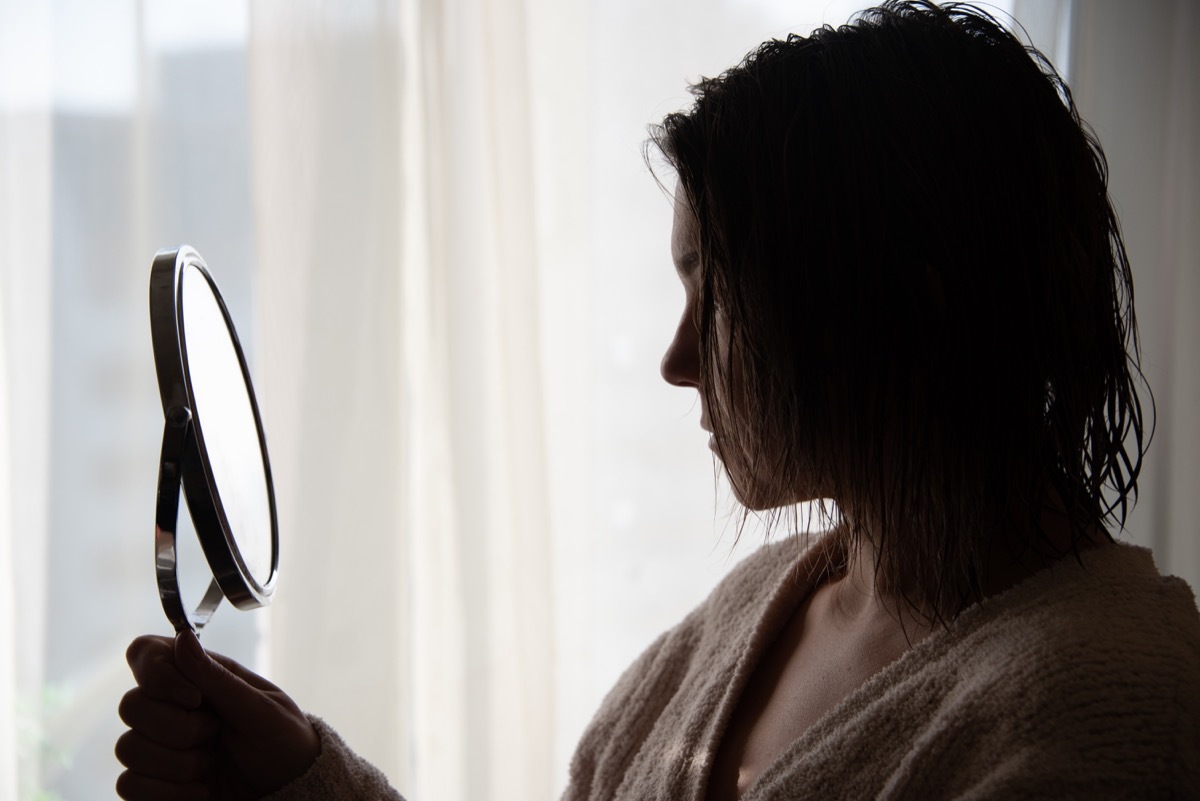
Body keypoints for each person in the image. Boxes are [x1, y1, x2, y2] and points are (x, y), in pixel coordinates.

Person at [115, 2, 1200, 799]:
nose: (678, 361)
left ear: (911, 310)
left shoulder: (1112, 711)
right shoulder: (757, 607)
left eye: (718, 293)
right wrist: (303, 777)